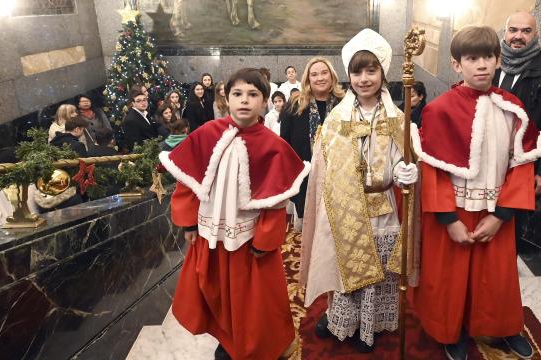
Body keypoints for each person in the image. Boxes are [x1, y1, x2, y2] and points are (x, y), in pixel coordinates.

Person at [412, 26, 541, 360]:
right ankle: (450, 330)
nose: (481, 65)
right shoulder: (439, 110)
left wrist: (501, 215)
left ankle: (502, 328)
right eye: (472, 58)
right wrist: (448, 219)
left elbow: (521, 164)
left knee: (497, 278)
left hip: (496, 208)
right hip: (453, 212)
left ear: (498, 60)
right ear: (457, 65)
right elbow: (433, 169)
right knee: (449, 278)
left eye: (488, 57)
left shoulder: (513, 108)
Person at [159, 68, 308, 360]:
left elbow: (275, 203)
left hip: (249, 242)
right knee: (216, 294)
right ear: (226, 97)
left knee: (254, 301)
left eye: (253, 94)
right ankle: (227, 340)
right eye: (238, 93)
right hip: (211, 236)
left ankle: (259, 345)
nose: (244, 101)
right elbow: (188, 181)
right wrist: (189, 223)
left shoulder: (273, 146)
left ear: (264, 101)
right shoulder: (206, 134)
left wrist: (264, 241)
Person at [299, 28, 419, 353]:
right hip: (343, 208)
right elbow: (325, 169)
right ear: (348, 75)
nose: (364, 79)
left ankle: (370, 326)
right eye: (357, 71)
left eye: (371, 70)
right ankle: (342, 320)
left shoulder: (398, 118)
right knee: (343, 272)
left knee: (376, 274)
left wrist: (405, 172)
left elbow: (400, 159)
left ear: (383, 72)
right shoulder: (337, 119)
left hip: (381, 208)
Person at [494, 11, 541, 197]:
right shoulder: (489, 65)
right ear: (505, 33)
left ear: (535, 35)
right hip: (488, 161)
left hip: (524, 165)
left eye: (526, 31)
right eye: (513, 30)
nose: (518, 36)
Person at [280, 57, 344, 231]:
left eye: (324, 73)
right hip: (306, 178)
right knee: (310, 232)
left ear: (332, 76)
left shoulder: (344, 104)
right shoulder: (294, 106)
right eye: (314, 74)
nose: (320, 78)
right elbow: (284, 144)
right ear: (308, 79)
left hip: (339, 178)